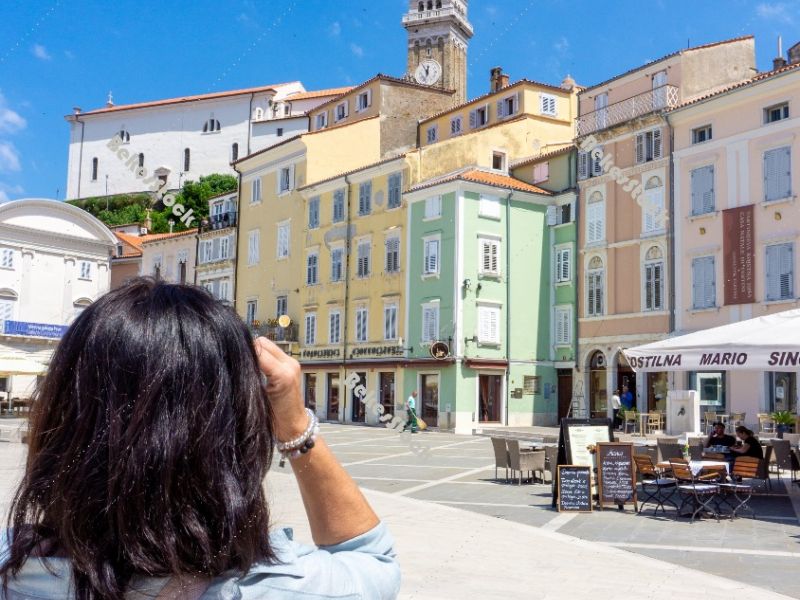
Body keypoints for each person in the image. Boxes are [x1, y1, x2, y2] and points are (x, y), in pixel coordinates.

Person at [0, 279, 400, 600]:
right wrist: (296, 429)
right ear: (236, 439)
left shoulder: (11, 569)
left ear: (59, 419)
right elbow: (371, 560)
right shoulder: (276, 587)